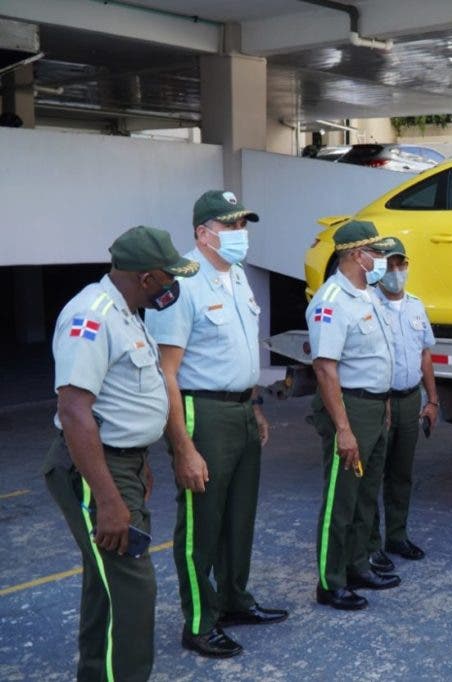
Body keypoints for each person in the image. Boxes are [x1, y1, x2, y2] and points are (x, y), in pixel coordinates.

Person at [44, 225, 198, 681]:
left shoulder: (128, 313)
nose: (173, 286)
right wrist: (108, 498)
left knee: (105, 586)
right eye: (169, 277)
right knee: (133, 592)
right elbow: (74, 411)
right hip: (96, 472)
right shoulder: (90, 316)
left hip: (121, 464)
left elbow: (124, 399)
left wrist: (140, 459)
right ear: (147, 277)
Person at [146, 190, 287, 659]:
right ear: (202, 234)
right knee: (202, 522)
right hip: (201, 412)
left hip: (241, 410)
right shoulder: (181, 284)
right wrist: (183, 447)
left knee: (238, 515)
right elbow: (166, 372)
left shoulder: (238, 276)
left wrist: (255, 404)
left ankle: (233, 599)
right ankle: (199, 623)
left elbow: (239, 352)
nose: (239, 235)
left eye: (243, 225)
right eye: (230, 227)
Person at [307, 220, 400, 612]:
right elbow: (326, 369)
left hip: (376, 407)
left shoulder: (369, 296)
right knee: (341, 498)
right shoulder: (331, 301)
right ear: (354, 255)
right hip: (351, 407)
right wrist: (344, 428)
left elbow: (379, 356)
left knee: (365, 496)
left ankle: (359, 565)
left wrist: (387, 405)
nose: (381, 260)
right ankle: (330, 582)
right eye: (375, 253)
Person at [366, 238, 440, 574]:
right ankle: (369, 546)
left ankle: (397, 535)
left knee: (401, 474)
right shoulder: (369, 305)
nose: (397, 272)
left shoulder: (416, 306)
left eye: (401, 265)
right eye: (390, 265)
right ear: (380, 268)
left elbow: (425, 355)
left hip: (411, 400)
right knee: (371, 477)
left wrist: (433, 399)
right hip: (382, 402)